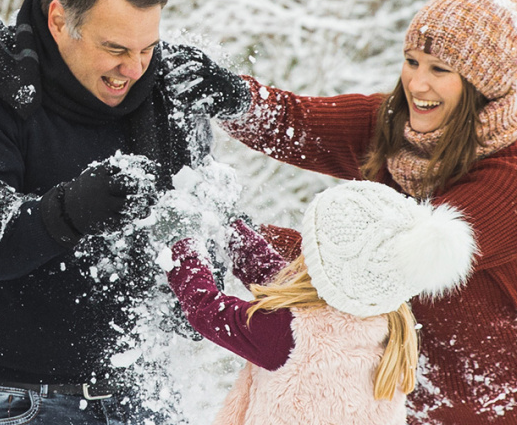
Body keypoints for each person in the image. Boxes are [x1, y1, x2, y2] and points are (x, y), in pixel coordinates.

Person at [215, 0, 517, 424]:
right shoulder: (391, 127)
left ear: (481, 87)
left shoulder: (516, 180)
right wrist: (229, 96)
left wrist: (237, 237)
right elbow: (291, 122)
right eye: (412, 61)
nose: (418, 83)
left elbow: (377, 262)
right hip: (419, 413)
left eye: (440, 69)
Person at [0, 0, 250, 424]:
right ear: (60, 21)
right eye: (115, 48)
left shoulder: (170, 91)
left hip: (146, 387)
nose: (134, 68)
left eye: (148, 48)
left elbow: (206, 223)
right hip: (27, 396)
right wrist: (68, 212)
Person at [165, 181, 475, 425]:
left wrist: (181, 242)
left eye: (311, 250)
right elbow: (285, 285)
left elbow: (207, 309)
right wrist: (231, 231)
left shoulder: (289, 333)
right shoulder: (390, 324)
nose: (300, 257)